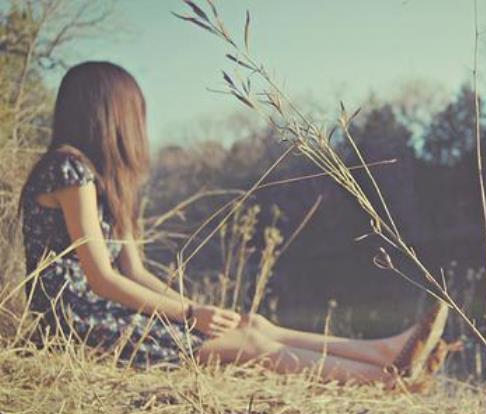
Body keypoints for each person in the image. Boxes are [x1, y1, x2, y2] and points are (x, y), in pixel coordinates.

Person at [19, 61, 451, 386]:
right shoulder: (68, 170)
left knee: (253, 324)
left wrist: (197, 313)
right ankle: (386, 381)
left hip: (108, 310)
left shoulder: (105, 182)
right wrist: (190, 314)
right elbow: (101, 278)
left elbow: (134, 270)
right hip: (77, 323)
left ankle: (383, 352)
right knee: (252, 345)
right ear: (110, 114)